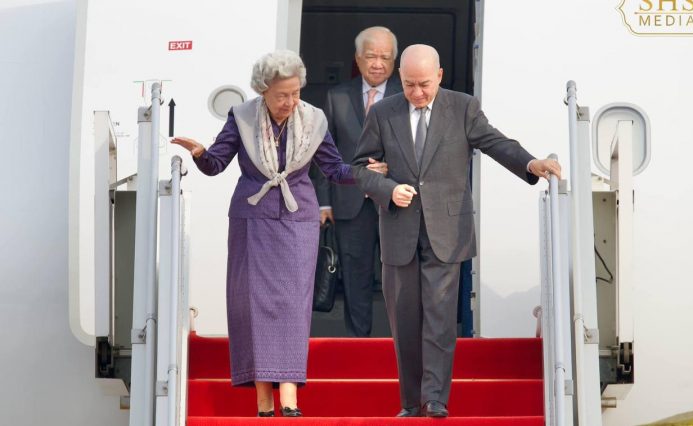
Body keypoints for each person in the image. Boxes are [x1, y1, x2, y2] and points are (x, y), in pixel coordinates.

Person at [171, 50, 386, 418]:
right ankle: (263, 401)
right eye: (281, 95)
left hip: (298, 220)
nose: (290, 102)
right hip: (252, 219)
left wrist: (364, 173)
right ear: (263, 90)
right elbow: (216, 164)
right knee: (253, 306)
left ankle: (289, 397)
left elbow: (334, 169)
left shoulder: (314, 119)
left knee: (291, 307)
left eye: (295, 93)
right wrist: (200, 153)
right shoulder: (242, 116)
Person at [352, 44, 561, 418]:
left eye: (424, 84)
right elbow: (359, 168)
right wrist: (386, 189)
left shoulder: (462, 107)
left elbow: (495, 142)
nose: (417, 92)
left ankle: (434, 398)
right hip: (399, 230)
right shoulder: (383, 112)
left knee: (439, 317)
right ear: (400, 78)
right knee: (405, 321)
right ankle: (410, 403)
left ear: (440, 76)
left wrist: (531, 163)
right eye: (410, 84)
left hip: (447, 230)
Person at [314, 26, 402, 337]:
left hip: (397, 200)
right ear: (357, 58)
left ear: (394, 60)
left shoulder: (407, 93)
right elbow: (324, 152)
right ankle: (358, 341)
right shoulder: (337, 96)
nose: (378, 63)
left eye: (385, 57)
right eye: (371, 56)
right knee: (355, 276)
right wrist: (324, 203)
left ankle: (400, 342)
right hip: (350, 202)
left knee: (400, 275)